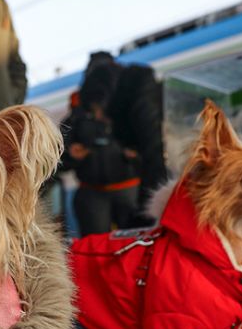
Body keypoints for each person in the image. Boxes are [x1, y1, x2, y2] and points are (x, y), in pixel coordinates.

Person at [62, 52, 167, 235]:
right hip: (92, 194)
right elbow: (59, 157)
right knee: (100, 243)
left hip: (128, 188)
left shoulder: (131, 108)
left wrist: (134, 155)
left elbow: (153, 154)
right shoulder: (78, 114)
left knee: (133, 236)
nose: (100, 118)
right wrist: (71, 155)